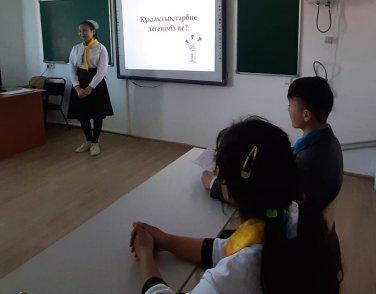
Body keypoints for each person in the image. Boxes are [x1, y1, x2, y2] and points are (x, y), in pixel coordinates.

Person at [130, 117, 342, 293]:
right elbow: (225, 248)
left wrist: (146, 255)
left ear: (228, 188)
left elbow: (234, 260)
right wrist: (166, 241)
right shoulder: (296, 217)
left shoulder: (236, 274)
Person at [202, 76, 343, 214]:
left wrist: (214, 184)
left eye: (290, 105)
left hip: (297, 220)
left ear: (306, 115)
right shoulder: (327, 139)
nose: (288, 109)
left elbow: (266, 202)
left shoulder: (307, 160)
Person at [67, 20, 114, 156]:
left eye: (85, 30)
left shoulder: (101, 48)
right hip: (80, 82)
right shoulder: (75, 48)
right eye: (80, 31)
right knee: (83, 115)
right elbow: (72, 69)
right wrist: (77, 87)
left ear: (93, 32)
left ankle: (95, 142)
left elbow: (102, 71)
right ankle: (88, 140)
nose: (82, 33)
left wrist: (90, 87)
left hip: (96, 84)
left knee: (97, 115)